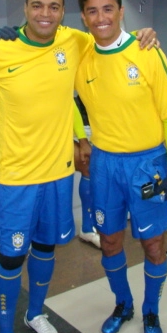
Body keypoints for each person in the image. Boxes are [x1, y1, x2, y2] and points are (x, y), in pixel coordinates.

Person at [0, 0, 156, 333]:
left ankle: (36, 315)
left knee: (45, 249)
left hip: (58, 172)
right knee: (10, 258)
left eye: (54, 7)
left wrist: (144, 34)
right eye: (37, 6)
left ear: (63, 12)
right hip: (15, 174)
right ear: (25, 9)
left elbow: (112, 40)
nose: (45, 14)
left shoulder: (74, 42)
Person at [74, 0, 167, 333]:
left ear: (121, 11)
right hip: (105, 165)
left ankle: (151, 309)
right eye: (92, 10)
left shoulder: (147, 50)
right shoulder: (81, 53)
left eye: (108, 9)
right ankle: (123, 304)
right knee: (108, 240)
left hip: (147, 164)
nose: (101, 18)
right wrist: (81, 138)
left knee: (153, 244)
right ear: (83, 16)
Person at [74, 95, 100, 249]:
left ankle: (90, 227)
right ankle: (88, 227)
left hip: (107, 120)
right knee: (88, 166)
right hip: (82, 120)